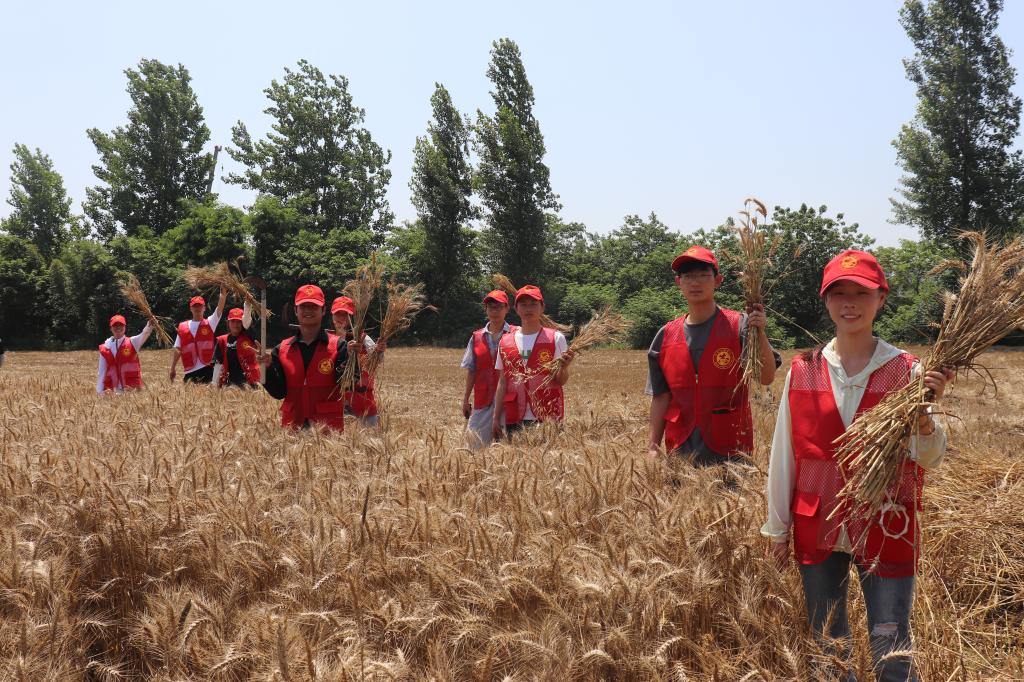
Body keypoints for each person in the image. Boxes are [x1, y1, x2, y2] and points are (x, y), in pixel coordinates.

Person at [762, 250, 954, 682]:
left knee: (891, 645)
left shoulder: (907, 371)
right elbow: (784, 453)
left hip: (887, 522)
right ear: (825, 301)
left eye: (861, 293)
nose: (849, 303)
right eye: (839, 293)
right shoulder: (803, 370)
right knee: (827, 645)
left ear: (881, 299)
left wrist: (924, 419)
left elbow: (931, 457)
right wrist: (777, 528)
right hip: (817, 521)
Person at [646, 245, 780, 466]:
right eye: (688, 276)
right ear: (678, 282)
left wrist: (761, 332)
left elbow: (766, 377)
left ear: (718, 280)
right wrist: (652, 446)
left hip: (731, 451)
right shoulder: (666, 336)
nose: (695, 282)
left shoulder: (740, 325)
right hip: (680, 449)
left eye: (703, 275)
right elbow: (661, 396)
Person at [492, 285, 575, 438]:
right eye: (523, 304)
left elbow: (560, 381)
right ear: (516, 309)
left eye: (533, 304)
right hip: (514, 414)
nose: (528, 309)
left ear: (542, 307)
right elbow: (503, 382)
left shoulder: (555, 339)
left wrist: (564, 368)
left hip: (548, 415)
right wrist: (496, 417)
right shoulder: (505, 342)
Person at [262, 284, 349, 430]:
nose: (308, 310)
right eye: (303, 306)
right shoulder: (281, 349)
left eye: (313, 306)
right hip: (292, 428)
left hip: (328, 430)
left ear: (323, 310)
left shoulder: (339, 347)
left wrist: (353, 359)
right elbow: (278, 393)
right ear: (296, 310)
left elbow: (347, 385)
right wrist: (266, 368)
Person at [461, 290, 516, 448]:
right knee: (473, 447)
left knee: (508, 449)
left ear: (507, 308)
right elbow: (472, 370)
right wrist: (466, 399)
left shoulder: (516, 334)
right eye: (491, 307)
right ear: (485, 309)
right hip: (483, 399)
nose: (495, 311)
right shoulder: (476, 337)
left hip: (509, 401)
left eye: (499, 307)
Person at [330, 295, 381, 427]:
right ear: (332, 315)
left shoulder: (363, 339)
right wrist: (340, 343)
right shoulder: (325, 339)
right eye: (338, 313)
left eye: (345, 314)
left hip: (363, 404)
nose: (341, 318)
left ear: (351, 317)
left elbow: (377, 362)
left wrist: (379, 352)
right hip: (333, 406)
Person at [170, 288, 227, 384]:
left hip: (208, 368)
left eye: (200, 306)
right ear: (190, 308)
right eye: (195, 306)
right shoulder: (182, 327)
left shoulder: (210, 322)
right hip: (190, 370)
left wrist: (223, 294)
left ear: (204, 308)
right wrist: (173, 368)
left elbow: (220, 308)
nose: (197, 308)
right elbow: (178, 349)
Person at [97, 315, 153, 394]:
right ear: (111, 328)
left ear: (125, 327)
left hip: (131, 391)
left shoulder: (133, 342)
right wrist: (100, 392)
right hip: (112, 392)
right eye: (115, 325)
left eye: (121, 325)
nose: (118, 327)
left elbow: (144, 334)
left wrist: (149, 325)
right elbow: (101, 372)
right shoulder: (105, 347)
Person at [212, 304, 260, 388]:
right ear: (228, 322)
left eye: (238, 322)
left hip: (250, 383)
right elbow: (218, 364)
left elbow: (247, 320)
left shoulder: (249, 336)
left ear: (242, 323)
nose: (235, 324)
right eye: (233, 321)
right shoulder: (222, 340)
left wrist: (247, 305)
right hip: (229, 384)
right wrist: (215, 384)